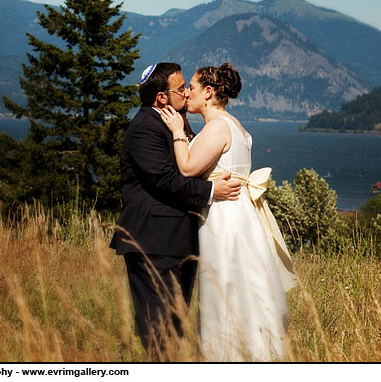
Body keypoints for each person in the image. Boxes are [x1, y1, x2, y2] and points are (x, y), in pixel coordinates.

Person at [159, 62, 297, 361]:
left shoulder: (218, 126)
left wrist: (177, 131)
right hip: (241, 215)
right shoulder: (235, 124)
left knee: (224, 285)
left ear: (208, 93)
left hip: (225, 219)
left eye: (191, 88)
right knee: (243, 285)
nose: (186, 93)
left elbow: (186, 168)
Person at [110, 62, 242, 355]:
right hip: (152, 242)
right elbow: (166, 180)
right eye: (181, 88)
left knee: (176, 325)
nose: (186, 93)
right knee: (157, 326)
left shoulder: (174, 121)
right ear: (161, 98)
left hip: (179, 241)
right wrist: (211, 191)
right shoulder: (145, 128)